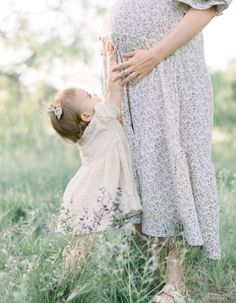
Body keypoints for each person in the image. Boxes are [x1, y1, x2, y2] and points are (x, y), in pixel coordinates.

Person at [100, 0, 232, 302]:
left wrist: (154, 55)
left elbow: (206, 8)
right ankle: (151, 274)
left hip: (165, 76)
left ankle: (176, 285)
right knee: (139, 171)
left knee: (167, 171)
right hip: (132, 82)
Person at [47, 41, 142, 271]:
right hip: (96, 194)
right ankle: (63, 282)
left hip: (86, 192)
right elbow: (114, 88)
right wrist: (110, 59)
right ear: (87, 115)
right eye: (90, 95)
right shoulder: (102, 118)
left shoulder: (87, 135)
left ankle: (63, 280)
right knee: (83, 245)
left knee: (81, 245)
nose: (96, 94)